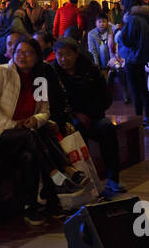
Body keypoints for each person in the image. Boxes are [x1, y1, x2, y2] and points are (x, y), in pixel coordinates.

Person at [0, 36, 57, 226]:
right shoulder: (1, 72)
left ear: (37, 56)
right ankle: (53, 178)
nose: (22, 56)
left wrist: (35, 120)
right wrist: (13, 125)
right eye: (19, 52)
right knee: (31, 138)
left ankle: (30, 207)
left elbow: (45, 111)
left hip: (25, 136)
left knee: (30, 155)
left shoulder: (39, 80)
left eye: (28, 53)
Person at [50, 38, 125, 197]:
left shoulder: (90, 70)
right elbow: (53, 103)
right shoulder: (52, 73)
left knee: (107, 128)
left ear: (76, 54)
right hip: (67, 120)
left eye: (68, 54)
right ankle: (86, 181)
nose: (63, 59)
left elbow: (105, 98)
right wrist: (75, 114)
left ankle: (113, 179)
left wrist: (90, 114)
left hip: (94, 116)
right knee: (77, 129)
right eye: (60, 55)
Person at [117, 0, 149, 129]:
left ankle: (139, 117)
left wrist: (119, 34)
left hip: (132, 56)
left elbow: (127, 39)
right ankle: (147, 116)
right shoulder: (147, 17)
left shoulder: (133, 19)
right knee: (142, 86)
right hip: (143, 55)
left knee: (135, 88)